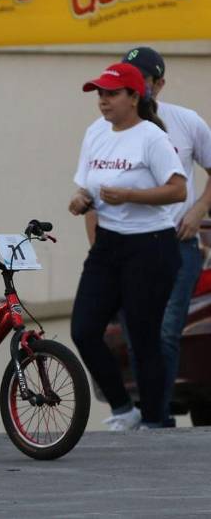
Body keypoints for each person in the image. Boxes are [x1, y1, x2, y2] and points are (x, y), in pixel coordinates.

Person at [69, 63, 187, 430]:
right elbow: (86, 184)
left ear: (134, 97)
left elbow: (178, 188)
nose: (103, 101)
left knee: (142, 335)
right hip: (108, 245)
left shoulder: (151, 136)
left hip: (150, 246)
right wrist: (81, 199)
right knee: (84, 330)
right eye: (99, 94)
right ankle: (124, 409)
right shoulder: (95, 132)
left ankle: (153, 419)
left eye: (112, 93)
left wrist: (130, 196)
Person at [120, 47, 211, 426]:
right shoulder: (113, 127)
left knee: (167, 329)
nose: (137, 85)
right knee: (137, 332)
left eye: (143, 78)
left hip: (179, 244)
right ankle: (153, 412)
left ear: (159, 83)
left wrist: (198, 210)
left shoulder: (186, 122)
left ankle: (156, 416)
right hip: (130, 246)